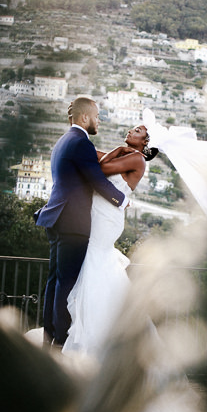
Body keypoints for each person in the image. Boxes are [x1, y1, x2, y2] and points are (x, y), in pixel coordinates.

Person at [35, 97, 130, 349]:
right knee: (67, 282)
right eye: (97, 116)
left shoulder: (64, 141)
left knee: (55, 280)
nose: (98, 121)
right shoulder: (81, 143)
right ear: (85, 117)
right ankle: (61, 341)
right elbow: (97, 180)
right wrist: (122, 200)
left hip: (56, 217)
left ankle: (50, 335)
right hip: (72, 222)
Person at [62, 125, 157, 357]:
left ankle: (95, 338)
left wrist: (117, 149)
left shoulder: (136, 158)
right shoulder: (127, 154)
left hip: (107, 218)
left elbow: (101, 168)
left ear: (144, 142)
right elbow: (94, 157)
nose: (130, 131)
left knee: (95, 261)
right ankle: (105, 327)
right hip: (101, 213)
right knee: (99, 266)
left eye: (137, 131)